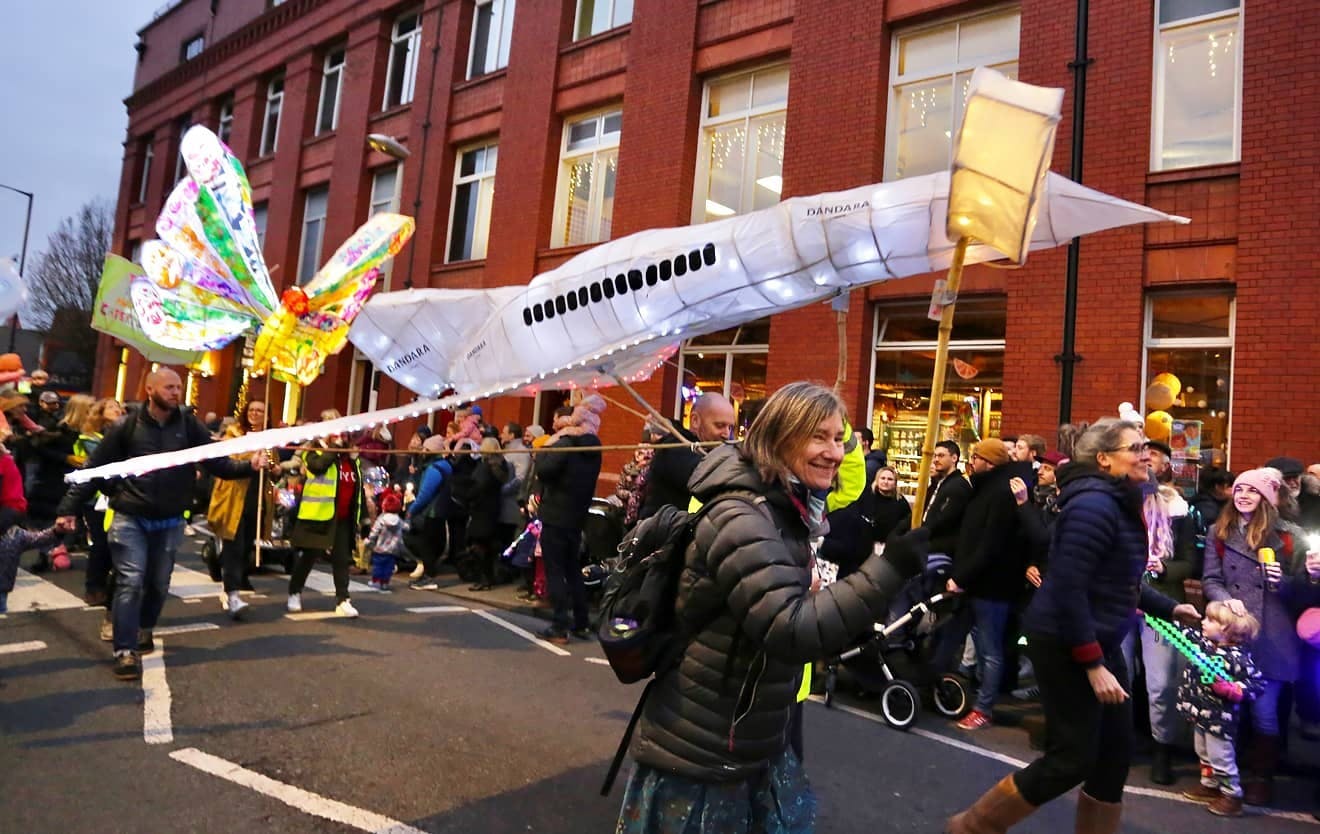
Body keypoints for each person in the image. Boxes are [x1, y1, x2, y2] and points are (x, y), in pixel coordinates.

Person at [615, 382, 929, 834]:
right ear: (780, 439)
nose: (834, 452)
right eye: (819, 437)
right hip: (704, 753)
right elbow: (789, 629)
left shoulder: (785, 509)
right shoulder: (743, 516)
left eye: (839, 439)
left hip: (748, 740)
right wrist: (888, 570)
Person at [947, 417, 1199, 834]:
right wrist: (1092, 663)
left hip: (1097, 641)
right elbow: (1068, 588)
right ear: (1104, 460)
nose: (1146, 456)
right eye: (1134, 448)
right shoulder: (1094, 505)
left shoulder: (1117, 500)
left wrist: (1171, 609)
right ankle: (973, 827)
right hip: (1068, 643)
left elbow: (1116, 580)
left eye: (1146, 448)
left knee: (1114, 755)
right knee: (1072, 758)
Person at [56, 368, 266, 681]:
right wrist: (68, 507)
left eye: (178, 387)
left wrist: (248, 466)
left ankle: (144, 628)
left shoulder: (188, 425)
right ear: (150, 390)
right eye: (169, 387)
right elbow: (95, 468)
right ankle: (124, 650)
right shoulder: (126, 427)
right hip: (130, 516)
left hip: (169, 519)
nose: (175, 392)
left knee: (158, 583)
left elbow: (216, 462)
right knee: (131, 579)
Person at [1200, 467, 1303, 806]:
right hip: (1231, 631)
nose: (1243, 494)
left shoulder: (1289, 537)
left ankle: (1262, 777)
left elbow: (1304, 592)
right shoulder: (1219, 531)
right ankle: (1223, 775)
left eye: (1252, 490)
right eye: (1239, 488)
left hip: (1272, 634)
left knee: (1264, 710)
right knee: (1224, 706)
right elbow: (1210, 579)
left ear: (1268, 498)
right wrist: (1222, 598)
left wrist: (1279, 582)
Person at [946, 437, 1034, 730]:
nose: (971, 461)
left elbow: (990, 544)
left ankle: (984, 707)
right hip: (981, 581)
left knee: (990, 648)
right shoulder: (987, 488)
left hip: (992, 584)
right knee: (983, 645)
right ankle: (979, 697)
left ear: (990, 462)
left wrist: (962, 576)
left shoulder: (998, 493)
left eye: (976, 457)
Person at [1176, 601, 1263, 817]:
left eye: (1210, 620)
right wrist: (1157, 615)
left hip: (1219, 720)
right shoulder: (1204, 644)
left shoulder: (1238, 660)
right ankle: (1210, 784)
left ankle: (1232, 795)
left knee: (1221, 757)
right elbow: (1181, 632)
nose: (1203, 623)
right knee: (1203, 753)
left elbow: (1257, 685)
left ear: (1225, 629)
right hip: (1200, 715)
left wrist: (1233, 690)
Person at [533, 397, 605, 644]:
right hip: (577, 516)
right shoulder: (595, 449)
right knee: (573, 569)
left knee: (555, 571)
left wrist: (547, 447)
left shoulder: (566, 444)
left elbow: (543, 469)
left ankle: (559, 625)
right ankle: (581, 622)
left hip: (555, 515)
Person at [286, 411, 368, 618]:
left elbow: (356, 487)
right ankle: (295, 592)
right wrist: (335, 449)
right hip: (318, 516)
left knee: (342, 559)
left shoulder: (349, 457)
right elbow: (318, 467)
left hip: (342, 517)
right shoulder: (313, 450)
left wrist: (363, 517)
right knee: (309, 557)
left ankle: (343, 599)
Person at [207, 400, 274, 619]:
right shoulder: (233, 433)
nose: (255, 414)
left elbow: (273, 466)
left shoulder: (269, 438)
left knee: (246, 547)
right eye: (252, 410)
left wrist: (274, 466)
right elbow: (228, 460)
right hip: (234, 497)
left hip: (257, 498)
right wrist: (252, 456)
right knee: (233, 547)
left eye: (260, 411)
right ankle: (232, 593)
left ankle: (231, 585)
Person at [637, 392, 735, 520]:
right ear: (695, 420)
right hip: (663, 536)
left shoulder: (706, 450)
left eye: (730, 427)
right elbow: (706, 477)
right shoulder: (674, 449)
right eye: (719, 426)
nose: (726, 434)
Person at [75, 397, 126, 637]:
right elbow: (101, 464)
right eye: (111, 407)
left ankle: (108, 586)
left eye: (119, 407)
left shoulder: (125, 434)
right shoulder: (90, 439)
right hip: (94, 498)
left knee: (114, 545)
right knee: (100, 543)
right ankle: (94, 587)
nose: (117, 410)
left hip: (115, 498)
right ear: (100, 413)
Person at [465, 436, 510, 591]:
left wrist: (468, 495)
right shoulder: (501, 465)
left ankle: (483, 579)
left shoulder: (485, 466)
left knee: (480, 544)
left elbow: (478, 486)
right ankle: (488, 578)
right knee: (488, 545)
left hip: (481, 508)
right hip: (493, 507)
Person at [406, 450, 453, 590]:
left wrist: (412, 510)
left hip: (431, 511)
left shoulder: (434, 469)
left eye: (426, 449)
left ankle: (429, 577)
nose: (423, 452)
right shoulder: (445, 466)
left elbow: (425, 494)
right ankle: (428, 575)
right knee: (433, 544)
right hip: (441, 510)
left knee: (426, 545)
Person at [363, 490, 407, 592]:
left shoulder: (382, 519)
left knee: (378, 565)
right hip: (393, 549)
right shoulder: (399, 520)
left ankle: (376, 582)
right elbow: (406, 527)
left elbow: (375, 531)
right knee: (388, 567)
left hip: (380, 548)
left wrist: (369, 540)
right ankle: (385, 583)